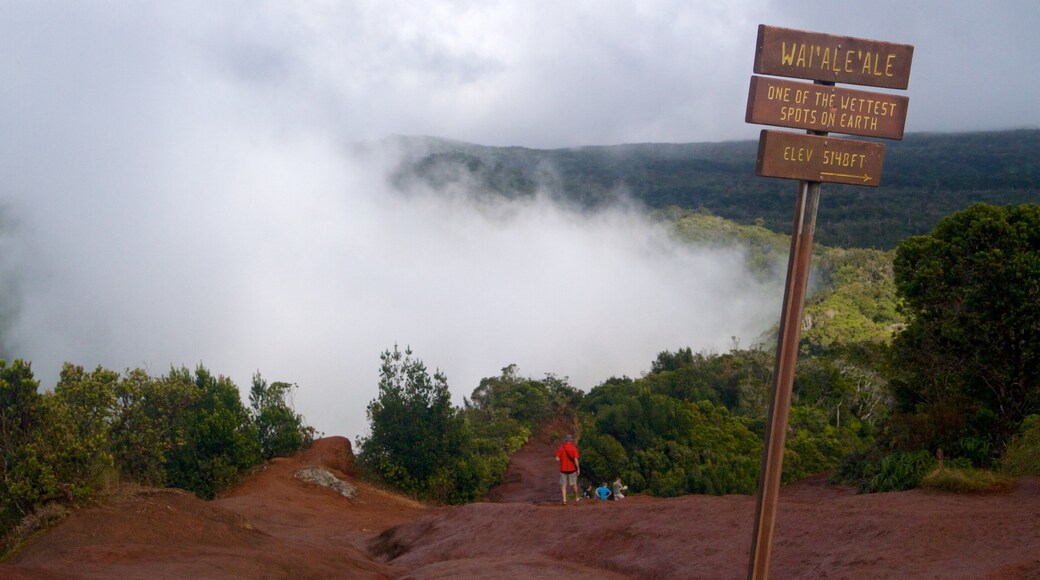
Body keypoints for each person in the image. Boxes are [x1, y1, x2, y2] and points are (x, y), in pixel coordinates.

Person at [555, 434, 581, 504]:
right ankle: (576, 498)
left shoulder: (561, 448)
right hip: (572, 469)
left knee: (563, 485)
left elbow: (557, 459)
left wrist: (561, 459)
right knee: (574, 484)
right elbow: (576, 459)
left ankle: (564, 500)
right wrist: (578, 468)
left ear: (565, 440)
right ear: (571, 440)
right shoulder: (574, 448)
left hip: (563, 469)